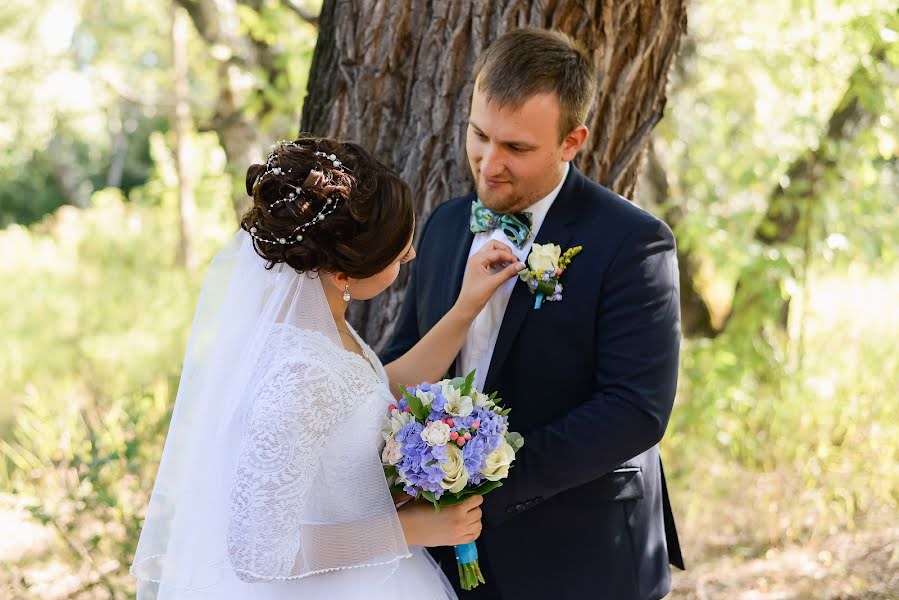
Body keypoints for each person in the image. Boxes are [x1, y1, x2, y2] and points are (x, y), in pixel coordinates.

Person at [130, 137, 526, 600]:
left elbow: (375, 392)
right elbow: (258, 553)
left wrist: (466, 308)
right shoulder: (300, 375)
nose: (411, 255)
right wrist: (406, 530)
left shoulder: (315, 330)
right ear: (342, 275)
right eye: (399, 252)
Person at [383, 28, 684, 599]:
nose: (488, 164)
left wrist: (483, 481)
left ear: (572, 141)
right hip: (446, 561)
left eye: (516, 148)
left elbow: (635, 409)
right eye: (478, 135)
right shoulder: (447, 224)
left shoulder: (634, 242)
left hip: (583, 555)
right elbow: (407, 357)